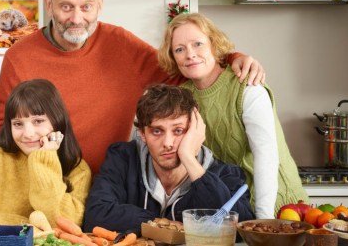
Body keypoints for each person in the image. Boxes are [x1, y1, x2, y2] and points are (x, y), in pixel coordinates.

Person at [0, 0, 266, 174]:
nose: (76, 18)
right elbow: (4, 127)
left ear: (99, 5)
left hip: (108, 188)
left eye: (86, 7)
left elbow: (183, 69)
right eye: (66, 7)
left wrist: (230, 57)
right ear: (49, 4)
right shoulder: (19, 55)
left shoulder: (122, 43)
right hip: (41, 187)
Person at [157, 12, 308, 219]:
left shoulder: (247, 87)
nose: (190, 54)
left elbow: (265, 155)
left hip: (279, 209)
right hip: (232, 210)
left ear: (213, 44)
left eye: (198, 44)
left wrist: (263, 221)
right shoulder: (183, 97)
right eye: (180, 49)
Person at [82, 84, 255, 233]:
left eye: (178, 131)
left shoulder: (226, 175)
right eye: (157, 131)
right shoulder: (122, 158)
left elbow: (239, 229)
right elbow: (95, 216)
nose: (168, 143)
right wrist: (163, 225)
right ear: (142, 133)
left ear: (195, 131)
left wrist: (188, 158)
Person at [0, 79, 91, 226]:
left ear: (58, 121)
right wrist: (28, 230)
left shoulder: (78, 170)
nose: (28, 134)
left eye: (38, 121)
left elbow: (66, 224)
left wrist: (44, 160)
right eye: (18, 124)